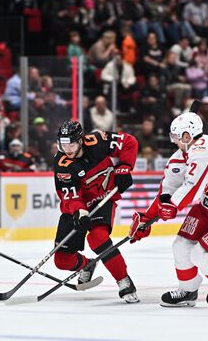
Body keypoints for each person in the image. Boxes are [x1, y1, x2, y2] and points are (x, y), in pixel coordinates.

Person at [129, 112, 208, 307]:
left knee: (201, 255)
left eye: (176, 136)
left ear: (188, 136)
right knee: (180, 246)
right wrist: (146, 219)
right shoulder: (179, 157)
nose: (174, 141)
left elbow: (192, 185)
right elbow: (167, 190)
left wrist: (173, 206)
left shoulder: (205, 147)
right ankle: (188, 290)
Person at [53, 120, 140, 303]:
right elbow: (70, 197)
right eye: (63, 144)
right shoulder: (62, 164)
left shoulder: (98, 141)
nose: (67, 149)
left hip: (104, 199)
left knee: (97, 237)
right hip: (76, 209)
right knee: (62, 261)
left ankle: (124, 280)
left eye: (71, 143)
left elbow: (129, 142)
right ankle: (87, 265)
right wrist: (81, 212)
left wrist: (124, 167)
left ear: (81, 140)